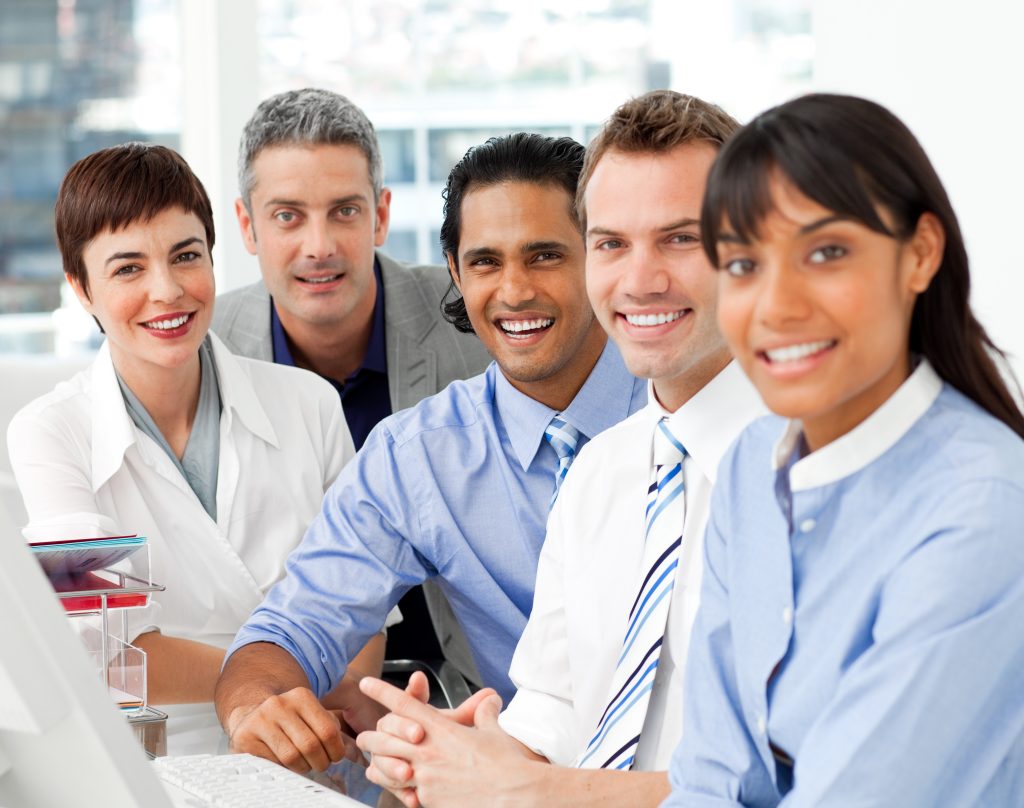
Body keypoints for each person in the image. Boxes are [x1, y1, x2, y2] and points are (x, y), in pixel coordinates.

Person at [355, 90, 765, 808]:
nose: (638, 280)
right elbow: (550, 711)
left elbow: (792, 778)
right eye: (611, 243)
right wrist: (461, 755)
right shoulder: (601, 473)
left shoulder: (817, 471)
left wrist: (537, 790)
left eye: (679, 238)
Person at [214, 132, 647, 773]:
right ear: (454, 270)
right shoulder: (417, 456)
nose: (514, 290)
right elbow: (289, 629)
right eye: (484, 262)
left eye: (546, 256)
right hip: (517, 781)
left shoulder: (677, 410)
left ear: (600, 254)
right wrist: (256, 706)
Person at [661, 93, 1024, 806]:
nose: (776, 305)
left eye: (825, 253)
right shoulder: (750, 462)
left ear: (920, 254)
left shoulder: (985, 509)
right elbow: (708, 773)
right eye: (741, 264)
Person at [6, 143, 383, 753]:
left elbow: (363, 603)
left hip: (317, 739)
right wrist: (272, 684)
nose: (167, 290)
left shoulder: (308, 402)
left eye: (186, 256)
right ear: (81, 288)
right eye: (128, 268)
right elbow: (108, 649)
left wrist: (321, 700)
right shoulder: (51, 431)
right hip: (156, 753)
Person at [213, 88, 491, 667]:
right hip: (290, 688)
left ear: (381, 215)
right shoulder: (205, 348)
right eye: (288, 216)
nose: (320, 247)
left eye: (345, 211)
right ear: (247, 226)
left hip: (460, 687)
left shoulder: (474, 324)